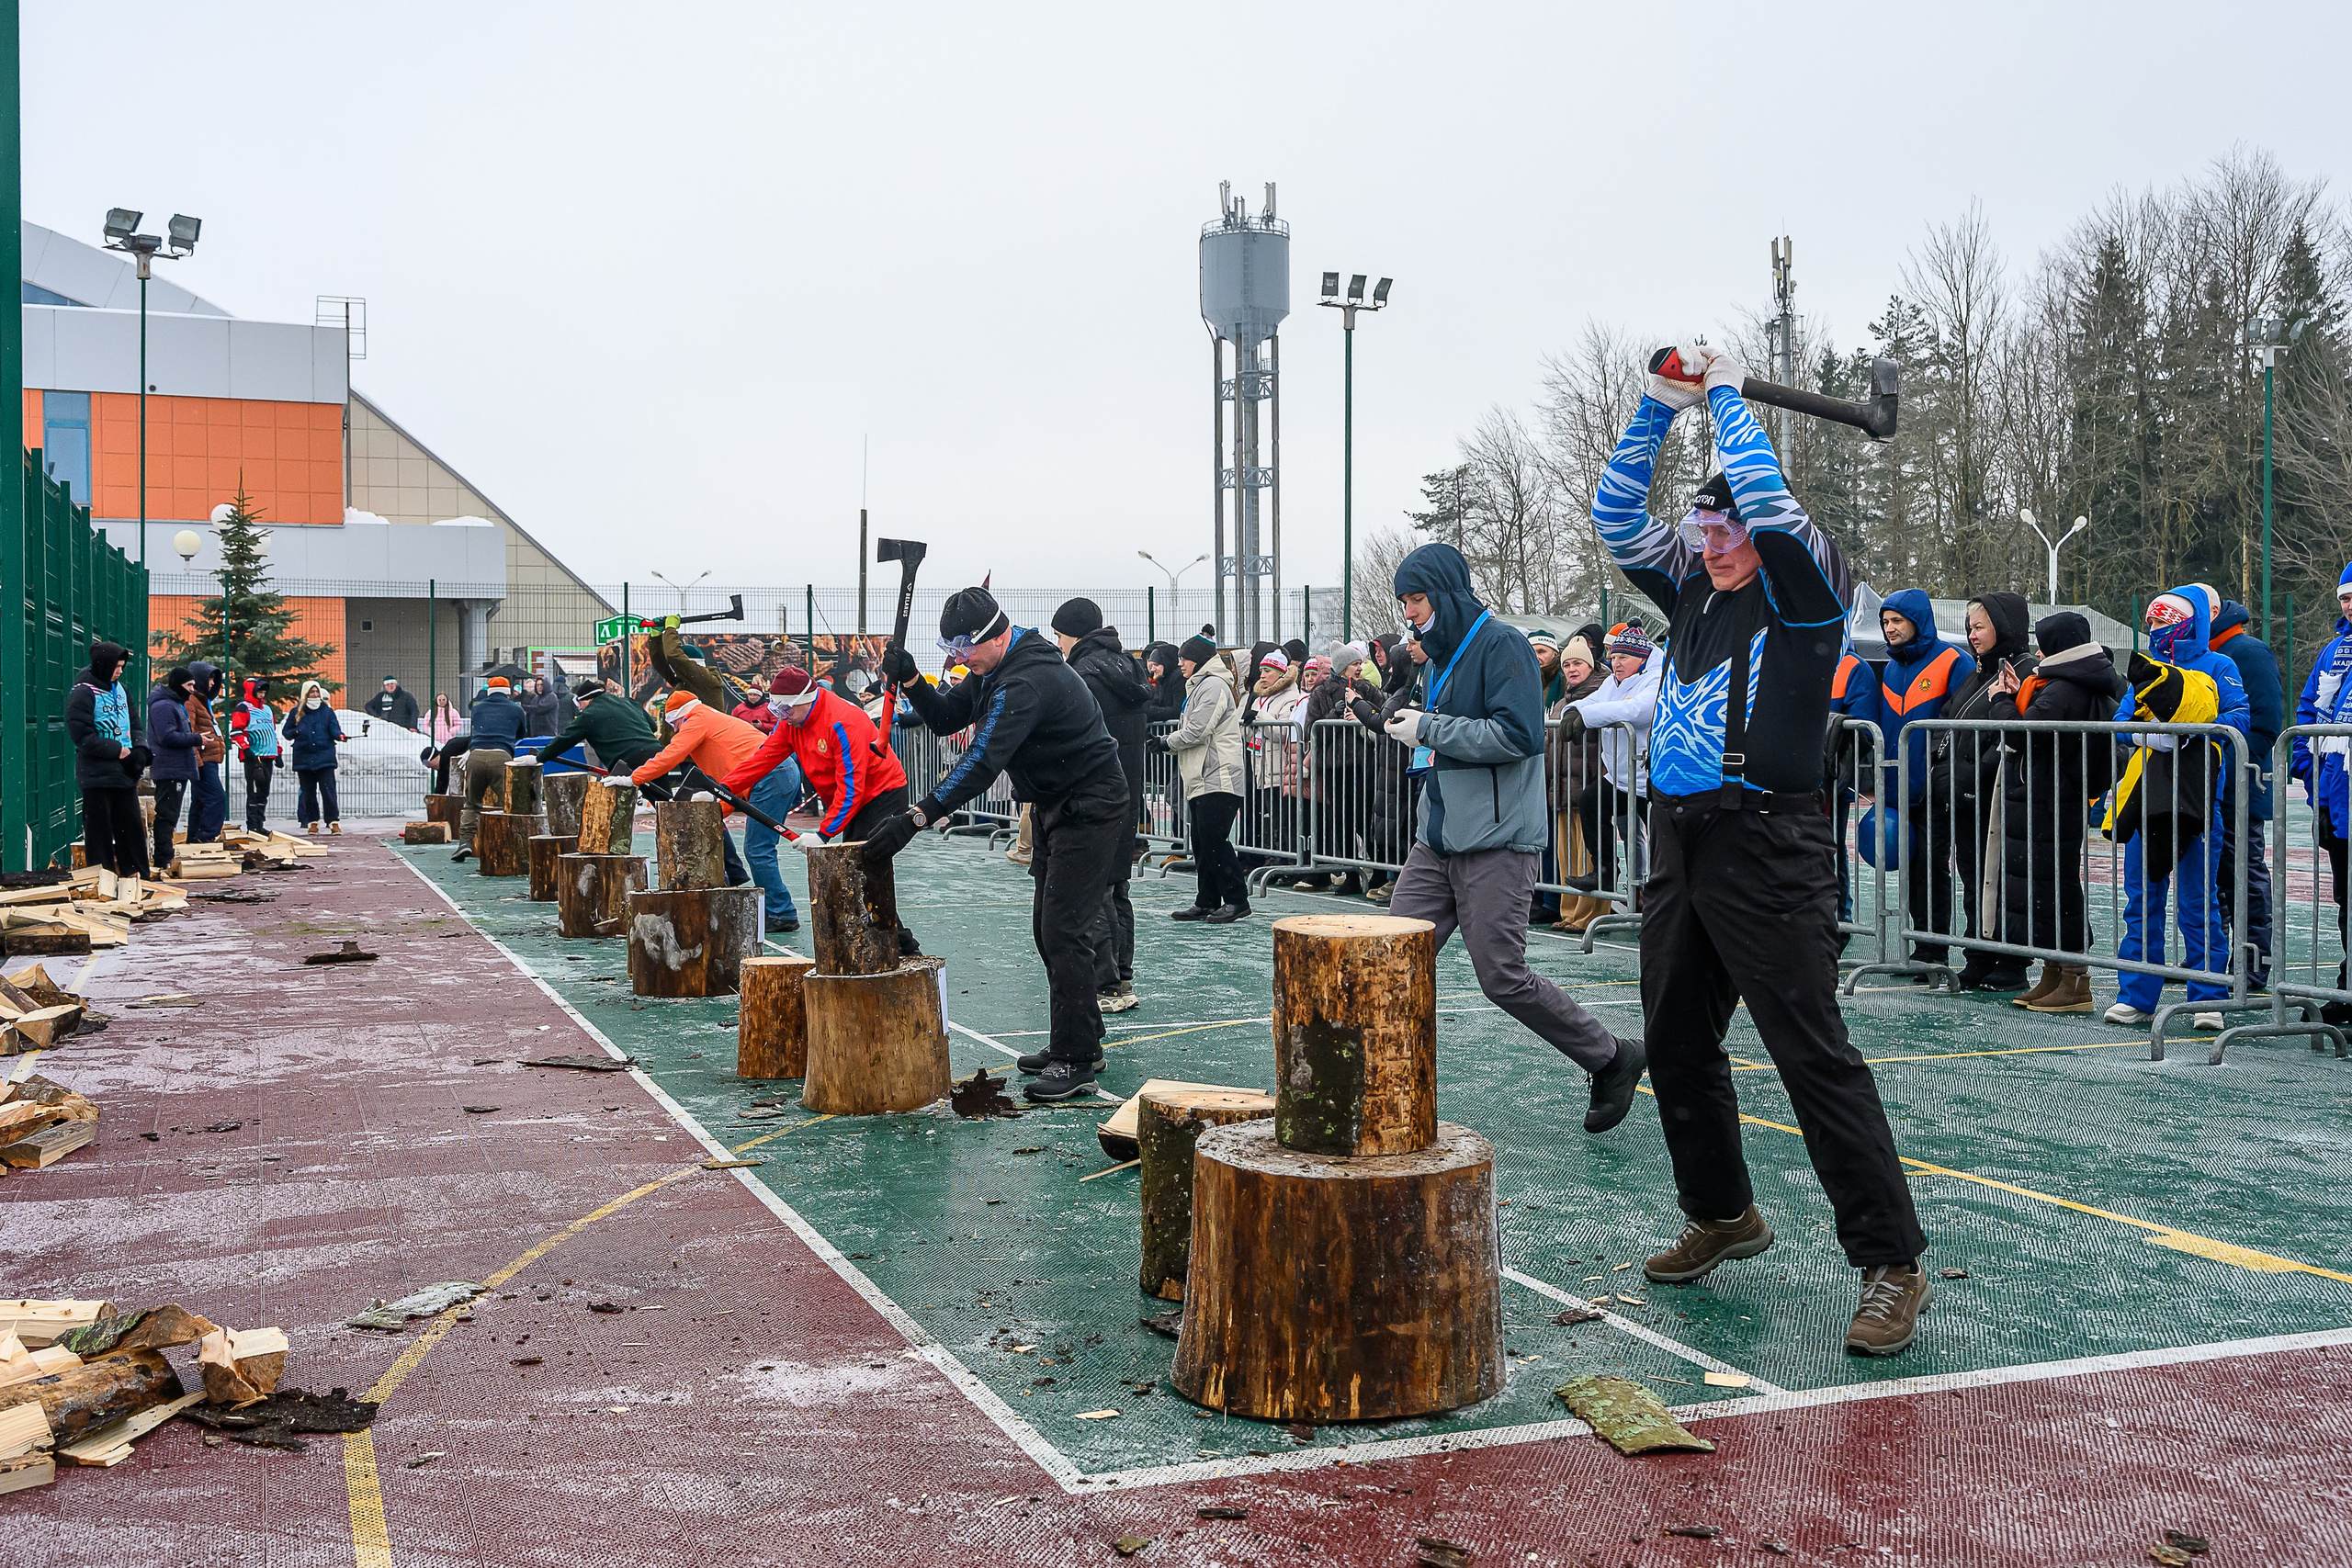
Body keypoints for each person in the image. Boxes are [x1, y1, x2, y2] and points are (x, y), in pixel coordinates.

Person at [1591, 344, 1930, 1356]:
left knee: (1810, 1055)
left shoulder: (1806, 588)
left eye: (1727, 524)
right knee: (1677, 1041)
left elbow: (1778, 513)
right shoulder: (1690, 588)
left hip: (1770, 845)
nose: (1716, 540)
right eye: (1705, 525)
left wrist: (1730, 399)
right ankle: (1723, 1213)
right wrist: (1656, 408)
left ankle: (1890, 1263)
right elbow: (1616, 519)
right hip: (1680, 841)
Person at [1378, 542, 1648, 1136]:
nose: (1410, 613)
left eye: (1416, 599)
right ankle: (1382, 1089)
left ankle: (1610, 1056)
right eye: (1404, 602)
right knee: (1387, 955)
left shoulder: (1501, 646)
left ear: (1446, 594)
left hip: (1498, 841)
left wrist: (1429, 727)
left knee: (1500, 973)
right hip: (1438, 837)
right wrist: (1419, 725)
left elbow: (1520, 735)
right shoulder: (1437, 656)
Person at [871, 587, 1131, 1101]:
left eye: (963, 648)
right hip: (1057, 803)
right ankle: (1080, 1038)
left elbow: (982, 762)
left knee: (1064, 928)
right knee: (1047, 927)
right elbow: (947, 718)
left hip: (1092, 805)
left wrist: (916, 816)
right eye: (951, 650)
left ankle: (1076, 1057)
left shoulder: (1027, 681)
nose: (958, 659)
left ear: (993, 634)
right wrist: (910, 679)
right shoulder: (994, 671)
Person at [2102, 589, 2248, 1030]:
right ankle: (2137, 994)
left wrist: (2191, 731)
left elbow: (2239, 720)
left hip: (2197, 801)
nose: (2160, 629)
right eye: (2154, 621)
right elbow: (2122, 721)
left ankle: (2207, 996)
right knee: (2141, 900)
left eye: (2168, 620)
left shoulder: (2220, 665)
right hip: (2147, 800)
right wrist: (2147, 735)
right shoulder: (2147, 667)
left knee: (2196, 902)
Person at [1996, 613, 2123, 1012]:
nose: (2037, 651)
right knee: (2049, 884)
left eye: (2044, 643)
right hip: (2057, 795)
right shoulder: (2078, 680)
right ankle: (2056, 973)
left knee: (2056, 886)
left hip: (2051, 797)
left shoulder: (2064, 687)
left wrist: (2000, 702)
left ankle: (2074, 980)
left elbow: (2025, 734)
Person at [721, 668, 901, 942]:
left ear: (807, 699)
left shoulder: (843, 723)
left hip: (881, 793)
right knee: (856, 871)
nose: (781, 716)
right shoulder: (791, 721)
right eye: (776, 709)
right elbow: (764, 758)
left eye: (785, 709)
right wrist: (726, 788)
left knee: (864, 870)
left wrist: (823, 834)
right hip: (850, 798)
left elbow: (852, 786)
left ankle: (898, 944)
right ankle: (880, 941)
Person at [1054, 598, 1153, 1014]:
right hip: (1127, 788)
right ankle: (1122, 978)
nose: (1056, 643)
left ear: (1074, 633)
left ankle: (1107, 984)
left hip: (1096, 792)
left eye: (1058, 634)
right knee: (1117, 886)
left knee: (1093, 891)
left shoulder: (1083, 674)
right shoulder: (1126, 666)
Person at [1935, 592, 2034, 991]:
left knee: (2008, 878)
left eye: (1980, 626)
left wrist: (1976, 772)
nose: (1972, 635)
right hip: (1968, 794)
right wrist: (1944, 771)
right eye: (1970, 627)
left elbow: (2015, 734)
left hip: (2003, 795)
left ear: (2003, 626)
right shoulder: (1977, 673)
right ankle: (1979, 953)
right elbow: (1947, 719)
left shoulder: (2026, 672)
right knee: (1975, 875)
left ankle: (2012, 960)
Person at [1873, 588, 1970, 974]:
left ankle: (1934, 947)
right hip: (1899, 788)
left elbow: (1962, 726)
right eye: (1885, 622)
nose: (1890, 629)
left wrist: (1941, 773)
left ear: (1918, 620)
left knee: (1933, 864)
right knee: (1913, 865)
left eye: (1897, 621)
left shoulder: (1952, 661)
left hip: (1936, 787)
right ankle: (1919, 940)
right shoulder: (1891, 667)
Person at [1561, 622, 1664, 911]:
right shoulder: (1613, 681)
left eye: (1623, 658)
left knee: (1659, 841)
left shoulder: (1656, 677)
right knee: (1591, 801)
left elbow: (1638, 710)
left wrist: (1587, 715)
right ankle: (1605, 872)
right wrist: (1573, 710)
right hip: (1621, 777)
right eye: (1613, 657)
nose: (1615, 663)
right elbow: (1590, 701)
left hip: (1651, 778)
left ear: (1641, 659)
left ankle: (1658, 896)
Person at [628, 689, 768, 900]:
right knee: (758, 848)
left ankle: (778, 912)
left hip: (768, 775)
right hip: (764, 774)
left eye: (675, 724)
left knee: (758, 849)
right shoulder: (710, 720)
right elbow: (734, 783)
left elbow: (671, 755)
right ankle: (739, 877)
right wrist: (718, 809)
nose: (675, 731)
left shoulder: (697, 719)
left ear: (680, 717)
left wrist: (634, 778)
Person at [2209, 597, 2282, 988]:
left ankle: (2252, 966)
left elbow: (2266, 724)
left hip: (2239, 789)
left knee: (2243, 877)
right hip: (2207, 788)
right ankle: (2214, 960)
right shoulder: (2206, 653)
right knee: (2212, 878)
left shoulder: (2247, 652)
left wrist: (2222, 761)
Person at [1151, 631, 1249, 920]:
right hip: (1203, 777)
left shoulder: (1213, 686)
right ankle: (1207, 900)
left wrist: (1165, 742)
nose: (1180, 663)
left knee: (1214, 840)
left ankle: (1237, 900)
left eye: (1185, 658)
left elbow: (1198, 729)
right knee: (1202, 842)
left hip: (1219, 776)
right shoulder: (1201, 686)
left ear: (1200, 660)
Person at [2291, 564, 2352, 1026]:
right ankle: (2347, 989)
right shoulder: (2334, 651)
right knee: (2346, 903)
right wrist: (2308, 771)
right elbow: (2308, 711)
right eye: (2345, 598)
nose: (2348, 606)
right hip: (2335, 796)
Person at [66, 639, 150, 878]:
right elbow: (81, 735)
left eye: (122, 666)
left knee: (131, 828)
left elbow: (134, 724)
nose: (120, 671)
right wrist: (117, 750)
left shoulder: (121, 689)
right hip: (97, 775)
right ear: (103, 665)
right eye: (116, 666)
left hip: (123, 773)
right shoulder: (83, 692)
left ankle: (137, 876)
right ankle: (101, 880)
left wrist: (140, 750)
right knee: (99, 832)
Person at [1548, 630, 1611, 934]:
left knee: (1587, 855)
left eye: (1578, 664)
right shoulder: (1561, 703)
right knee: (1566, 857)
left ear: (1590, 665)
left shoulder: (1600, 697)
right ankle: (1569, 912)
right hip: (1562, 791)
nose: (1572, 670)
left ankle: (1589, 914)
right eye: (1567, 665)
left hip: (1588, 789)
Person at [454, 675, 527, 860]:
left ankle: (465, 842)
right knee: (509, 804)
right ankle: (514, 844)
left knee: (471, 803)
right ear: (509, 693)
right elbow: (522, 733)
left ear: (488, 692)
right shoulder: (516, 709)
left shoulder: (478, 709)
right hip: (501, 756)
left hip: (476, 756)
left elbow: (476, 730)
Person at [147, 667, 204, 868]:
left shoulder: (174, 704)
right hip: (170, 767)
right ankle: (163, 858)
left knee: (171, 812)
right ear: (178, 685)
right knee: (167, 813)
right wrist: (196, 738)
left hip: (176, 767)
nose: (192, 690)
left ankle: (165, 854)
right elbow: (167, 736)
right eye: (189, 685)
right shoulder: (164, 706)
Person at [285, 679, 349, 833]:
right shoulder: (296, 712)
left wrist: (339, 735)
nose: (314, 694)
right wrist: (297, 732)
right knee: (308, 793)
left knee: (329, 791)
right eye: (311, 692)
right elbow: (286, 732)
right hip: (304, 758)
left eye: (316, 692)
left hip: (325, 757)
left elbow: (334, 728)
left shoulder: (327, 711)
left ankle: (333, 821)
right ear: (305, 694)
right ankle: (312, 821)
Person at [229, 677, 284, 832]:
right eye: (259, 690)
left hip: (268, 756)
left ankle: (260, 824)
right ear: (251, 691)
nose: (262, 693)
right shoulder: (243, 708)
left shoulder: (267, 709)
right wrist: (246, 750)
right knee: (254, 792)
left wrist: (278, 752)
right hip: (254, 756)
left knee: (264, 792)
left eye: (264, 691)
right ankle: (252, 825)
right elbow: (236, 732)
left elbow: (271, 733)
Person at [185, 661, 229, 843]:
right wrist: (197, 761)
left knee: (200, 802)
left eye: (214, 680)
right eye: (209, 679)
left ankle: (194, 838)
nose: (212, 683)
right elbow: (190, 731)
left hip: (208, 759)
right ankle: (207, 836)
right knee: (216, 798)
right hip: (202, 760)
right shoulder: (192, 702)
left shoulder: (204, 702)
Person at [521, 675, 560, 739]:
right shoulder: (536, 698)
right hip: (535, 732)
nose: (539, 687)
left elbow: (540, 708)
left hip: (548, 732)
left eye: (541, 685)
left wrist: (524, 707)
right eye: (537, 685)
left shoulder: (551, 696)